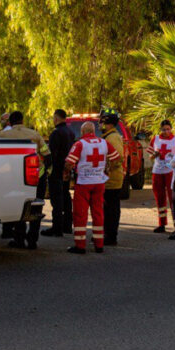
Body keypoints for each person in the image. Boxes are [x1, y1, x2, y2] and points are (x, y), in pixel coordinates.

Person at [0, 111, 49, 249]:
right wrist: (45, 172)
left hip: (15, 177)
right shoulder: (34, 134)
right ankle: (32, 240)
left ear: (10, 123)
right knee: (36, 207)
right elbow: (47, 154)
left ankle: (19, 239)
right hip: (37, 176)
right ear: (22, 120)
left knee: (19, 206)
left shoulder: (3, 135)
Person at [64, 121, 119, 254]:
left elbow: (69, 163)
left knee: (80, 214)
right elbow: (116, 158)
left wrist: (66, 174)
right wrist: (107, 169)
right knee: (98, 213)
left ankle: (80, 245)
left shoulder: (80, 144)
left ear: (83, 132)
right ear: (94, 132)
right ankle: (99, 245)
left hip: (83, 183)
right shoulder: (104, 143)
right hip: (99, 183)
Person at [41, 109, 74, 237]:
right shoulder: (70, 132)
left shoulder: (56, 133)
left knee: (56, 200)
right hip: (66, 170)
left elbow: (52, 153)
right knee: (66, 197)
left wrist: (48, 169)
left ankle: (57, 228)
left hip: (56, 170)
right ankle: (67, 226)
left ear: (56, 118)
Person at [100, 108, 125, 246]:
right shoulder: (108, 136)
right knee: (107, 209)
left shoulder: (113, 137)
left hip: (112, 180)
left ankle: (111, 236)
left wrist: (107, 170)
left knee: (111, 210)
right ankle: (106, 234)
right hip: (108, 180)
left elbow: (117, 158)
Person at [148, 120, 175, 233]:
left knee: (173, 198)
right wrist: (154, 154)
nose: (166, 131)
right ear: (161, 129)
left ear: (171, 129)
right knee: (159, 198)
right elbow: (150, 155)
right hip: (157, 171)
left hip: (170, 172)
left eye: (168, 129)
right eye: (164, 129)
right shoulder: (155, 139)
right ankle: (162, 224)